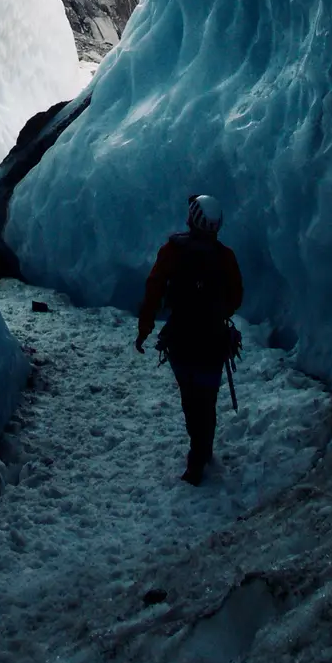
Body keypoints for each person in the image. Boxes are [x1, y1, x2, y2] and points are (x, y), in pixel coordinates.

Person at [136, 194, 243, 484]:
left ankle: (197, 453)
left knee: (190, 398)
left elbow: (154, 288)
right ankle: (202, 451)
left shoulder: (173, 251)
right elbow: (236, 297)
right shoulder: (225, 257)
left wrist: (145, 326)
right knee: (207, 399)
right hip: (213, 338)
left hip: (180, 336)